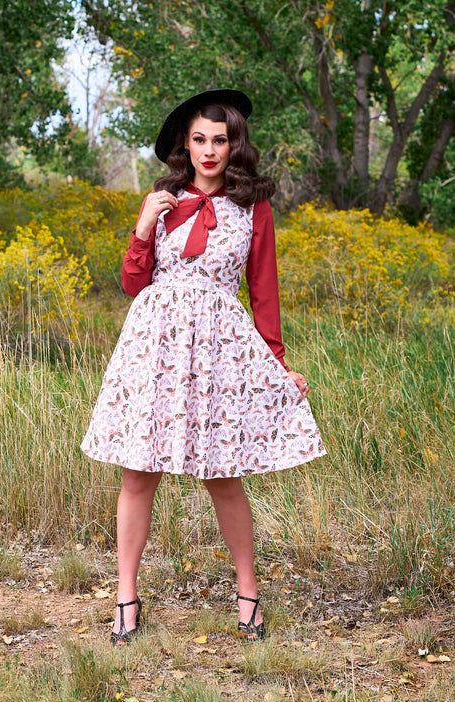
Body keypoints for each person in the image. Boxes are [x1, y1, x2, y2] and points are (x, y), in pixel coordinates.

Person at [81, 89, 326, 645]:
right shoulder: (163, 197)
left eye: (219, 140)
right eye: (199, 140)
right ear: (184, 145)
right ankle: (126, 600)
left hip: (220, 351)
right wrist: (143, 225)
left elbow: (264, 291)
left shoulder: (253, 206)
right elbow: (132, 284)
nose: (209, 151)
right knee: (138, 474)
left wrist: (278, 363)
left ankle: (248, 596)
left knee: (224, 476)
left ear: (233, 143)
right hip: (156, 347)